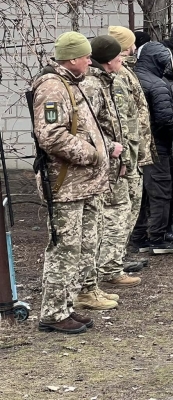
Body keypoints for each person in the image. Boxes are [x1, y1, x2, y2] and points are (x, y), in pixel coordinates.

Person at [32, 32, 112, 334]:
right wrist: (92, 155)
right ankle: (53, 312)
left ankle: (65, 306)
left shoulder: (69, 83)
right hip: (66, 184)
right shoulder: (52, 87)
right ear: (72, 58)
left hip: (82, 184)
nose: (90, 61)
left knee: (80, 248)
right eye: (85, 56)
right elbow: (51, 135)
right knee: (64, 249)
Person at [80, 35, 141, 301]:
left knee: (120, 209)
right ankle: (106, 270)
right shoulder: (94, 85)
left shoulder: (107, 79)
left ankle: (108, 268)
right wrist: (116, 154)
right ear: (106, 60)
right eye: (118, 55)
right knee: (114, 212)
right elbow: (92, 126)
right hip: (106, 160)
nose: (122, 59)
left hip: (117, 157)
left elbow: (121, 121)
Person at [107, 26, 156, 273]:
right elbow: (121, 118)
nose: (134, 48)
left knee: (132, 205)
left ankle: (119, 255)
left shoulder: (125, 70)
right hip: (127, 154)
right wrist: (127, 155)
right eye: (129, 44)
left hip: (135, 151)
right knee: (123, 207)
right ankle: (115, 258)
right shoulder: (116, 76)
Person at [133, 42, 173, 254]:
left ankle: (139, 236)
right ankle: (158, 236)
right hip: (157, 148)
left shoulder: (133, 77)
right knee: (161, 191)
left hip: (136, 148)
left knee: (142, 195)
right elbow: (166, 121)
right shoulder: (158, 85)